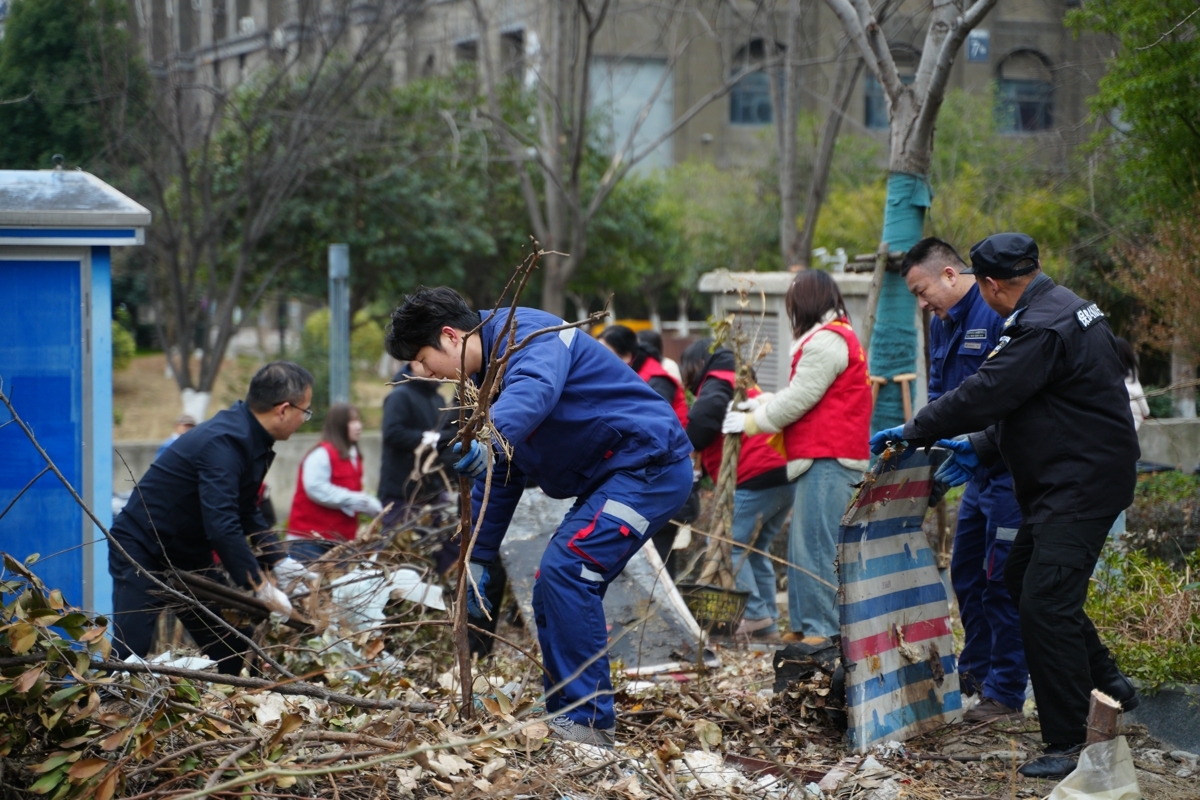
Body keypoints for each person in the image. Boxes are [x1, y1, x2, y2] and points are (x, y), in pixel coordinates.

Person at [871, 233, 1140, 778]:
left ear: (991, 285)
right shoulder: (1060, 307)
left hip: (1080, 486)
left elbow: (989, 392)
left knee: (1045, 604)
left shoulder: (1042, 326)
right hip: (1065, 481)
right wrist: (976, 446)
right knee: (1023, 583)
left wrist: (917, 430)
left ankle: (1070, 744)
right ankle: (1109, 683)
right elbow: (1035, 404)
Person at [385, 287, 693, 747]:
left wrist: (489, 437)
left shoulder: (527, 336)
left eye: (425, 360)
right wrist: (478, 557)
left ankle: (590, 723)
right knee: (552, 582)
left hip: (649, 465)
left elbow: (535, 389)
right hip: (613, 475)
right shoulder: (481, 377)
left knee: (569, 568)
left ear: (450, 336)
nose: (426, 373)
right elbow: (504, 469)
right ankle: (567, 712)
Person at [108, 362, 317, 674]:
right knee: (130, 653)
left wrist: (280, 561)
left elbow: (246, 509)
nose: (305, 418)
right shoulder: (225, 443)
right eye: (306, 411)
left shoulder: (251, 439)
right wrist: (260, 586)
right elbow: (222, 525)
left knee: (232, 643)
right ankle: (107, 710)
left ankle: (240, 707)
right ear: (284, 410)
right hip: (142, 547)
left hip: (187, 553)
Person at [901, 237, 1028, 723]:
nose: (922, 302)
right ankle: (973, 673)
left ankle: (1005, 693)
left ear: (951, 275)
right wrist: (923, 456)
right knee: (967, 575)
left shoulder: (997, 314)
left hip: (1010, 474)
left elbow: (1010, 399)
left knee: (1002, 584)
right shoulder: (942, 322)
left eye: (923, 289)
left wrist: (979, 449)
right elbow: (939, 396)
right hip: (972, 474)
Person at [723, 270, 872, 645]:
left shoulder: (825, 341)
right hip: (821, 458)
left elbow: (799, 400)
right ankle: (807, 625)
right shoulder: (835, 338)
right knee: (802, 548)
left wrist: (751, 422)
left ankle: (822, 631)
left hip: (827, 458)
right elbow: (806, 397)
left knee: (818, 548)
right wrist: (760, 402)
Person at [681, 339, 792, 641]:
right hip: (782, 473)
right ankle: (766, 621)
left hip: (754, 475)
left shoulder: (717, 382)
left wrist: (683, 444)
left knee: (729, 545)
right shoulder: (742, 381)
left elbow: (702, 425)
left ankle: (755, 613)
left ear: (694, 366)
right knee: (756, 550)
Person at [598, 324, 697, 574]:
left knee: (656, 565)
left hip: (661, 478)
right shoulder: (630, 377)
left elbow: (646, 434)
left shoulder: (656, 382)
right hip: (644, 478)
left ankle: (661, 610)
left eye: (605, 352)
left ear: (627, 357)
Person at [287, 402, 383, 562]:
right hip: (310, 541)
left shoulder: (354, 456)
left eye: (358, 420)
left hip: (340, 540)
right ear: (339, 425)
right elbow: (316, 488)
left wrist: (367, 505)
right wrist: (358, 500)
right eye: (352, 421)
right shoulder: (321, 454)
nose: (358, 426)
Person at [598, 325, 690, 426]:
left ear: (627, 356)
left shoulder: (657, 380)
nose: (599, 360)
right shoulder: (628, 375)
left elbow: (652, 423)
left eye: (605, 355)